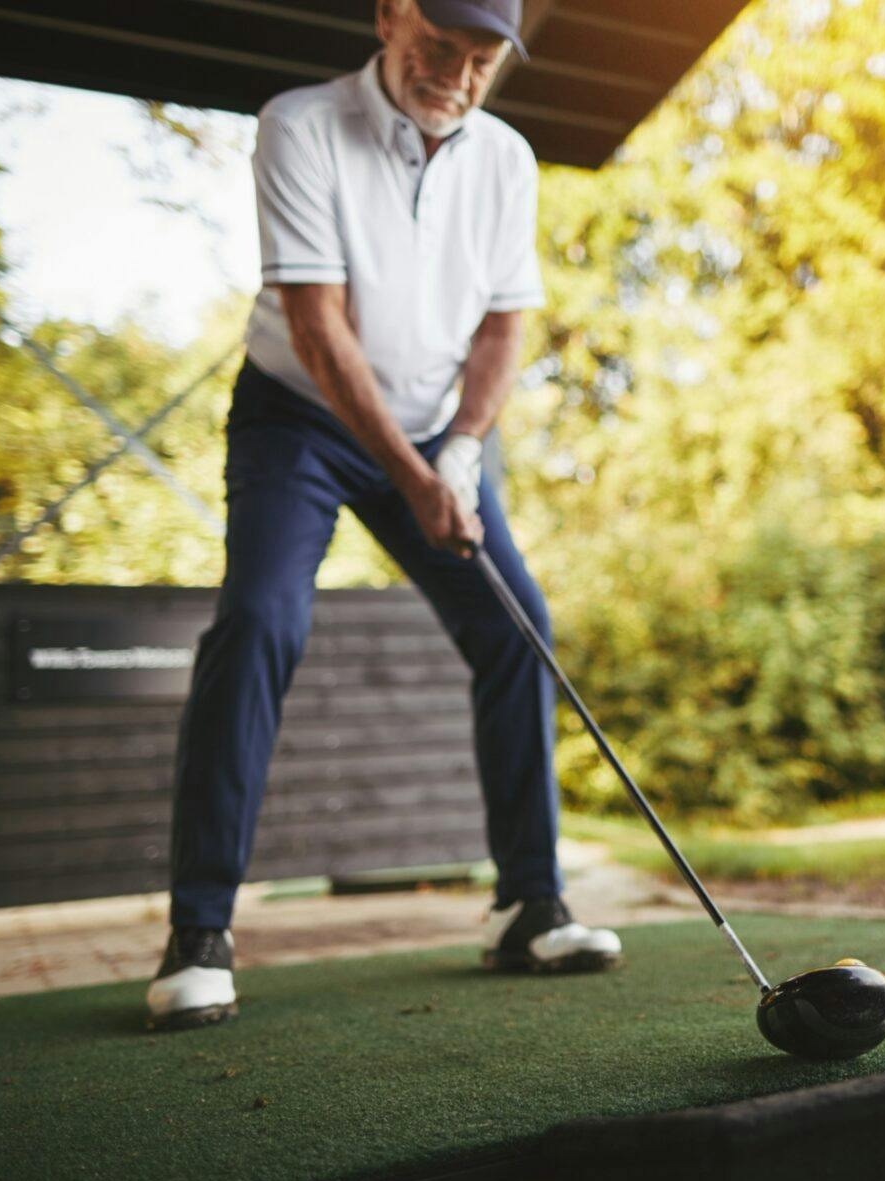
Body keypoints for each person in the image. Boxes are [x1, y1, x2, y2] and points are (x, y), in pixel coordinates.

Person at [145, 0, 620, 1031]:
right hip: (299, 425)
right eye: (437, 46)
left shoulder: (506, 160)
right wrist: (411, 475)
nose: (455, 74)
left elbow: (502, 324)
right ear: (389, 15)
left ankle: (528, 907)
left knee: (517, 633)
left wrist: (456, 451)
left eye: (481, 60)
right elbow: (318, 331)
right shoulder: (299, 124)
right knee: (262, 621)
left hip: (436, 436)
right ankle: (198, 934)